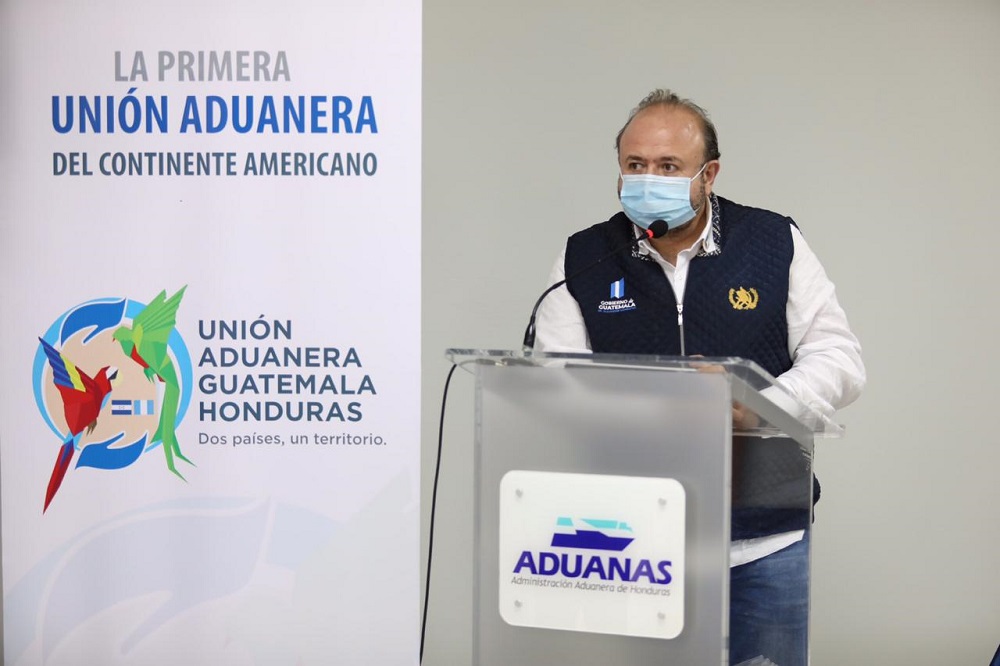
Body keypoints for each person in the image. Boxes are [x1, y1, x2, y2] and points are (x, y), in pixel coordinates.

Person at [534, 89, 865, 666]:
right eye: (635, 164)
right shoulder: (584, 258)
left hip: (763, 537)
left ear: (708, 174)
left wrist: (760, 404)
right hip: (630, 540)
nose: (648, 179)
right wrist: (653, 410)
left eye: (669, 166)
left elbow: (839, 357)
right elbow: (555, 385)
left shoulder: (772, 242)